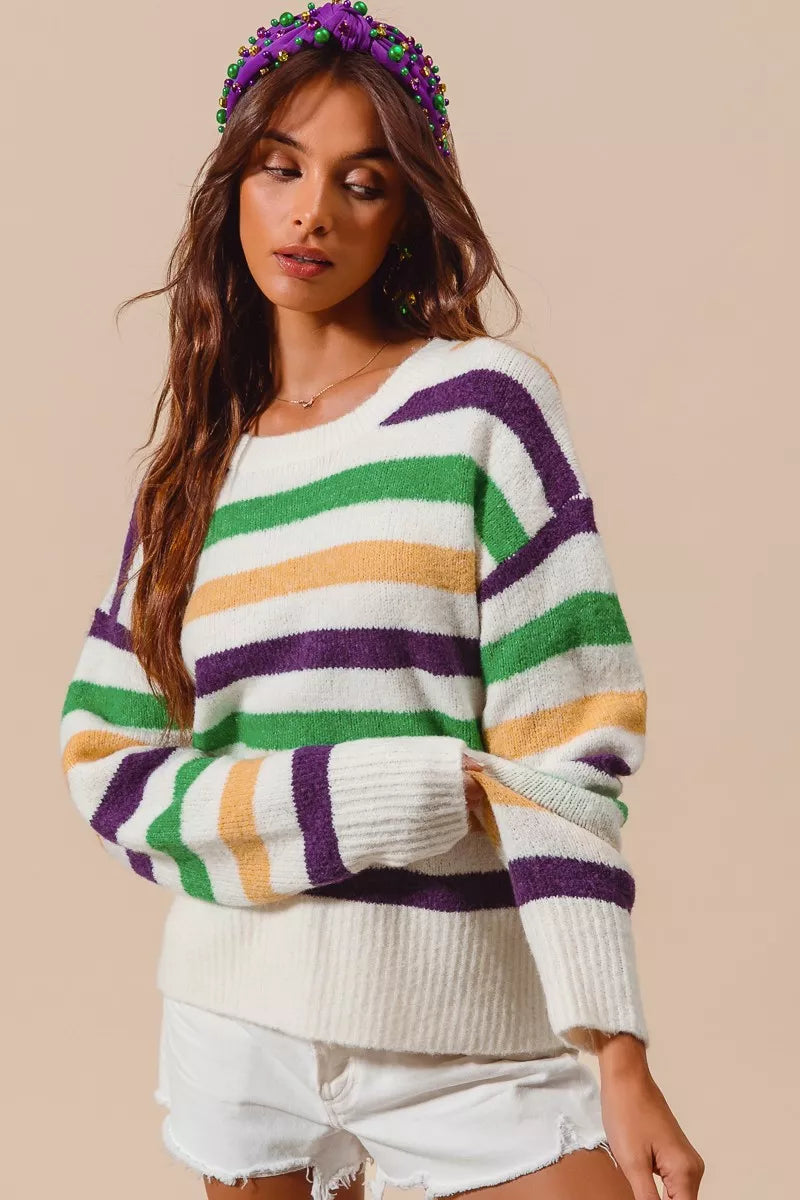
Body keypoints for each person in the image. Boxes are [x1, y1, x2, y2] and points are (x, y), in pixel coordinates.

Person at [58, 4, 704, 1199]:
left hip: (465, 1026)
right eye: (281, 168)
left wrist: (613, 1047)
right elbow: (108, 760)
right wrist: (378, 793)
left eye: (361, 183)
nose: (312, 212)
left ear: (404, 214)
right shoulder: (196, 470)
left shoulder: (482, 408)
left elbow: (565, 746)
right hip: (235, 1024)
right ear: (234, 188)